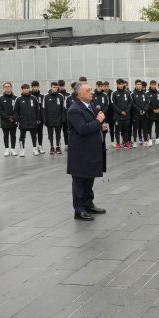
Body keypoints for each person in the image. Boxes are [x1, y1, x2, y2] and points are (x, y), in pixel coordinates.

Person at [66, 82, 107, 221]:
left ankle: (88, 204)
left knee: (89, 179)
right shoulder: (74, 109)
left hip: (91, 150)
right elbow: (82, 129)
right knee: (79, 182)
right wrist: (98, 121)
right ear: (80, 94)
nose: (92, 92)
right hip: (80, 152)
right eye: (88, 90)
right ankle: (79, 210)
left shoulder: (90, 107)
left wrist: (101, 126)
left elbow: (93, 125)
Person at [14, 83, 43, 156]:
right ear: (22, 89)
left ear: (29, 89)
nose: (26, 90)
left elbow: (38, 110)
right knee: (22, 137)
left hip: (33, 121)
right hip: (23, 122)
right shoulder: (18, 99)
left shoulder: (33, 98)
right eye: (24, 88)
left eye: (27, 88)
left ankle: (34, 149)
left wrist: (38, 119)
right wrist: (17, 120)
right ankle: (22, 150)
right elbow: (15, 111)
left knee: (34, 136)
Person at [43, 81, 66, 155]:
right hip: (49, 120)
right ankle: (52, 147)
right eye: (54, 87)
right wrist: (45, 120)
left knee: (58, 134)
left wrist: (63, 118)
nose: (55, 88)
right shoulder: (46, 96)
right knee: (50, 134)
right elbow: (43, 109)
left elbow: (63, 108)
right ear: (51, 87)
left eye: (57, 87)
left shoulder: (61, 96)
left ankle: (58, 147)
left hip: (58, 119)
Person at [111, 79, 132, 149]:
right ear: (117, 84)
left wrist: (126, 111)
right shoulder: (114, 93)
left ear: (124, 84)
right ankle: (118, 143)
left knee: (126, 129)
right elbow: (113, 104)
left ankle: (126, 142)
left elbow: (130, 102)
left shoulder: (127, 93)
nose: (121, 85)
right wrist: (120, 112)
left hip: (126, 115)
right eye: (119, 84)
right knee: (117, 130)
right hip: (117, 116)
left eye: (122, 84)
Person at [0, 82, 18, 157]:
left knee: (13, 135)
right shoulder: (0, 98)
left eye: (9, 86)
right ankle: (6, 149)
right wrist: (8, 117)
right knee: (5, 135)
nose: (7, 88)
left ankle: (13, 149)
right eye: (6, 86)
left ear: (11, 87)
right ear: (4, 88)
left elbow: (17, 109)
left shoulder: (15, 98)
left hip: (13, 120)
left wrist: (13, 118)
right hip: (4, 121)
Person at [131, 80, 151, 146]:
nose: (139, 85)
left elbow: (147, 103)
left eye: (140, 84)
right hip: (136, 114)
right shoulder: (132, 94)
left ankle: (145, 141)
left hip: (144, 114)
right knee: (135, 128)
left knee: (144, 128)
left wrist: (144, 111)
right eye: (138, 84)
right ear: (135, 85)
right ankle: (134, 142)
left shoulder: (145, 94)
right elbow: (133, 104)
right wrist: (139, 110)